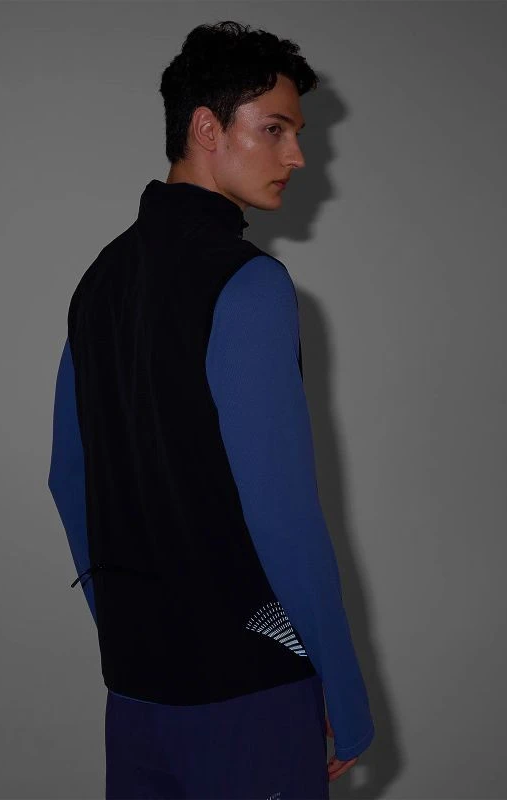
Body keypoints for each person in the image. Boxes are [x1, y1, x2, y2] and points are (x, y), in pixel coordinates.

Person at [48, 20, 374, 798]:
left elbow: (68, 478)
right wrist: (344, 690)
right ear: (206, 128)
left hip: (137, 694)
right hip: (249, 692)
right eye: (275, 130)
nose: (297, 157)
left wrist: (132, 629)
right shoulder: (249, 283)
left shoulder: (100, 280)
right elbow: (283, 514)